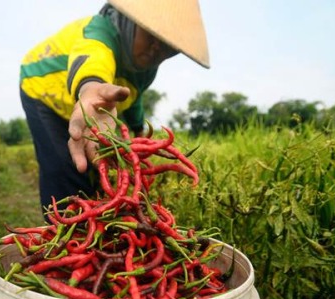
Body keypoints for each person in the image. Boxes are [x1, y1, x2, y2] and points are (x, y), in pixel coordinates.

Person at [19, 0, 210, 221]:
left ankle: (88, 238)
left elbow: (132, 95)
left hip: (87, 110)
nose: (157, 50)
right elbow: (92, 58)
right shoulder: (101, 30)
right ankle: (61, 238)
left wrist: (138, 127)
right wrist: (91, 87)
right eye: (151, 36)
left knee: (98, 172)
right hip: (42, 89)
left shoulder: (146, 70)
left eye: (168, 47)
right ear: (131, 21)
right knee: (64, 171)